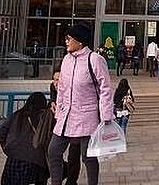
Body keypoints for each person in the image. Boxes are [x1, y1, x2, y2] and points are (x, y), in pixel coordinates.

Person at [48, 22, 114, 185]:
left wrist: (106, 116)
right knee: (53, 151)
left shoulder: (95, 59)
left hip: (87, 117)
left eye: (69, 38)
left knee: (88, 156)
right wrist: (58, 110)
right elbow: (62, 88)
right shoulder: (66, 60)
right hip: (66, 116)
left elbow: (105, 89)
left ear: (80, 41)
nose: (66, 41)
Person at [0, 92, 50, 185]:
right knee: (40, 178)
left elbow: (0, 131)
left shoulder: (18, 114)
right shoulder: (44, 117)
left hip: (14, 157)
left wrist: (7, 146)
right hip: (36, 160)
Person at [48, 70, 81, 185]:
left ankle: (71, 181)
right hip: (59, 125)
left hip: (75, 124)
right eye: (54, 79)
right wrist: (52, 102)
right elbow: (53, 96)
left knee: (74, 155)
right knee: (54, 152)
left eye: (59, 80)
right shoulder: (53, 87)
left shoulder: (74, 89)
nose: (56, 83)